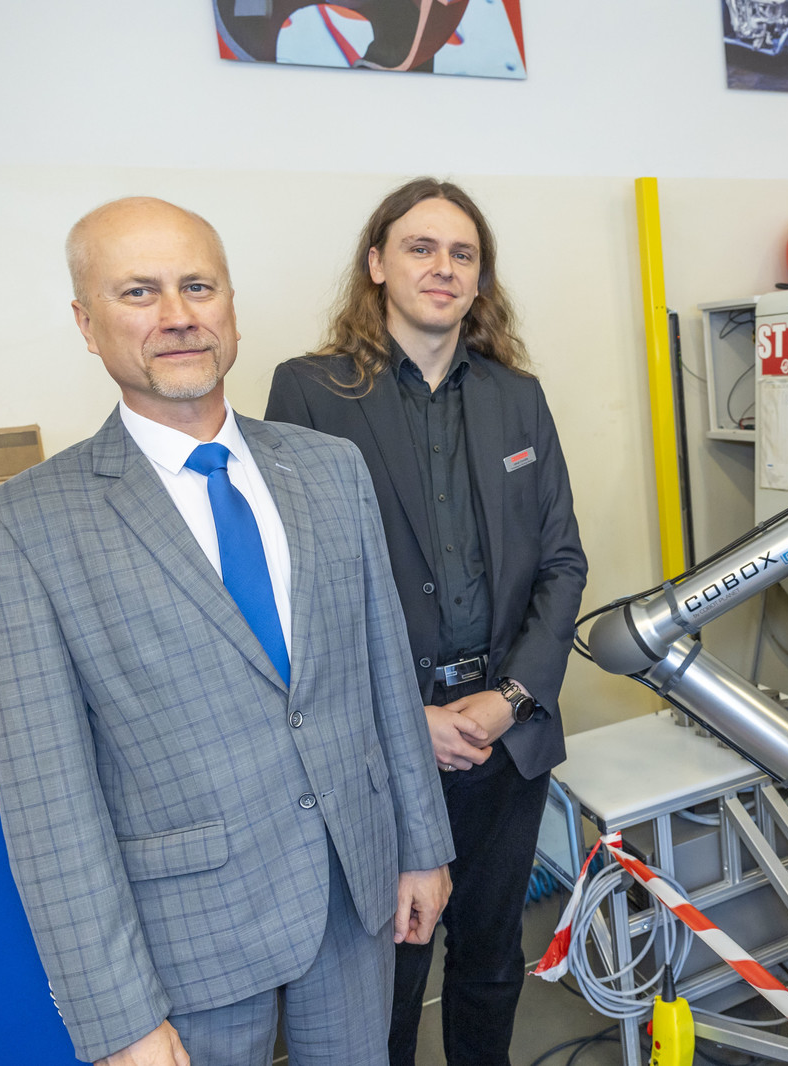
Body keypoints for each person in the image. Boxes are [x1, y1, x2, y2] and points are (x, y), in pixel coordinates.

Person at [0, 197, 455, 1066]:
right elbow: (46, 802)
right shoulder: (21, 529)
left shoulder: (330, 470)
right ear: (86, 324)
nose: (178, 315)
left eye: (198, 286)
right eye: (138, 292)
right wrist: (116, 1017)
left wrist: (422, 844)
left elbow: (384, 672)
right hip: (185, 945)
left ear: (231, 306)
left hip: (356, 898)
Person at [264, 177, 587, 1066]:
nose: (443, 267)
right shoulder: (312, 393)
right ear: (377, 263)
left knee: (491, 959)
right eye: (420, 247)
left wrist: (511, 698)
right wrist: (408, 721)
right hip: (381, 745)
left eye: (462, 254)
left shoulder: (517, 398)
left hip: (504, 737)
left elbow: (562, 563)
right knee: (391, 976)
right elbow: (296, 592)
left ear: (480, 279)